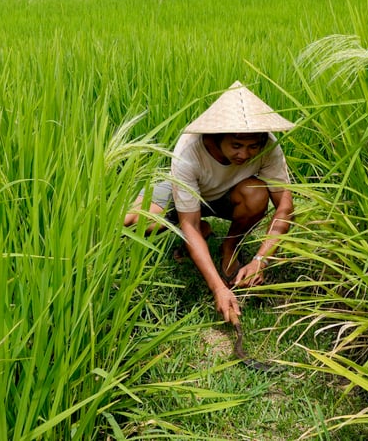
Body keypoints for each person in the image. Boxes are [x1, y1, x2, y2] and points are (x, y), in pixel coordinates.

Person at [124, 81, 294, 326]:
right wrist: (218, 289)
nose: (244, 155)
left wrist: (260, 260)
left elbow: (285, 207)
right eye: (236, 146)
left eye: (251, 147)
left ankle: (229, 248)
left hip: (228, 196)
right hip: (181, 194)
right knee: (135, 222)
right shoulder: (189, 151)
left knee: (256, 193)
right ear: (216, 138)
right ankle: (199, 234)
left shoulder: (268, 146)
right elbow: (189, 223)